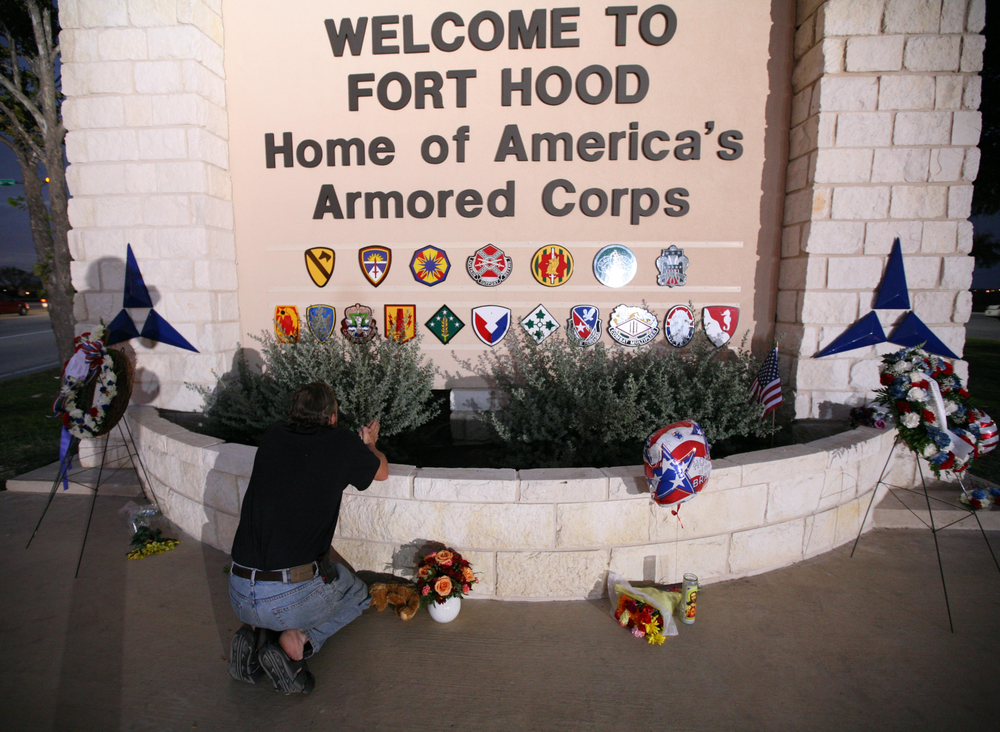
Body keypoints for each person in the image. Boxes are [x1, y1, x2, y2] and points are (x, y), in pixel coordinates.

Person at [227, 382, 388, 693]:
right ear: (331, 418)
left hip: (238, 590)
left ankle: (256, 634)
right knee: (357, 594)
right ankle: (299, 641)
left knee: (279, 593)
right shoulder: (341, 442)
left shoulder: (273, 435)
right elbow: (381, 472)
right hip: (290, 597)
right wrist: (369, 443)